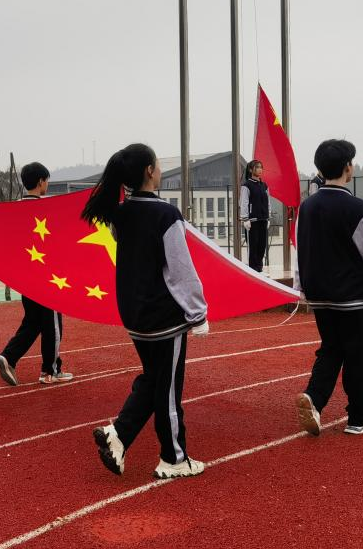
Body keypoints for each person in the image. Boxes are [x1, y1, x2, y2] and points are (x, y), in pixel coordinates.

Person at [84, 143, 208, 480]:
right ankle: (174, 457)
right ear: (150, 171)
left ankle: (119, 434)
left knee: (154, 379)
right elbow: (181, 271)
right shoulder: (166, 216)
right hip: (163, 316)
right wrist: (198, 314)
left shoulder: (119, 215)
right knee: (168, 389)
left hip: (134, 312)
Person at [293, 139, 363, 437]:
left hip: (320, 296)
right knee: (358, 356)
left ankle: (314, 398)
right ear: (347, 168)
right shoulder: (356, 208)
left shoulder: (307, 208)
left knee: (331, 349)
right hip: (353, 297)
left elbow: (300, 249)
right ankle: (358, 417)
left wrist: (301, 287)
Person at [0, 162, 74, 386]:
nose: (47, 184)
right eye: (47, 180)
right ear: (41, 182)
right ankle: (51, 370)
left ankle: (8, 357)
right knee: (53, 324)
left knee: (33, 323)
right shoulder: (48, 208)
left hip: (26, 279)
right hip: (48, 279)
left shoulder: (15, 210)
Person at [239, 160, 270, 272]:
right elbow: (243, 202)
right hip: (252, 221)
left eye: (261, 167)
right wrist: (245, 218)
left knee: (262, 246)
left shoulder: (264, 185)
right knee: (253, 246)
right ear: (251, 170)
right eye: (257, 167)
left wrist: (268, 216)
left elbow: (268, 202)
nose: (260, 169)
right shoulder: (247, 185)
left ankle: (259, 269)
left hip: (263, 219)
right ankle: (253, 269)